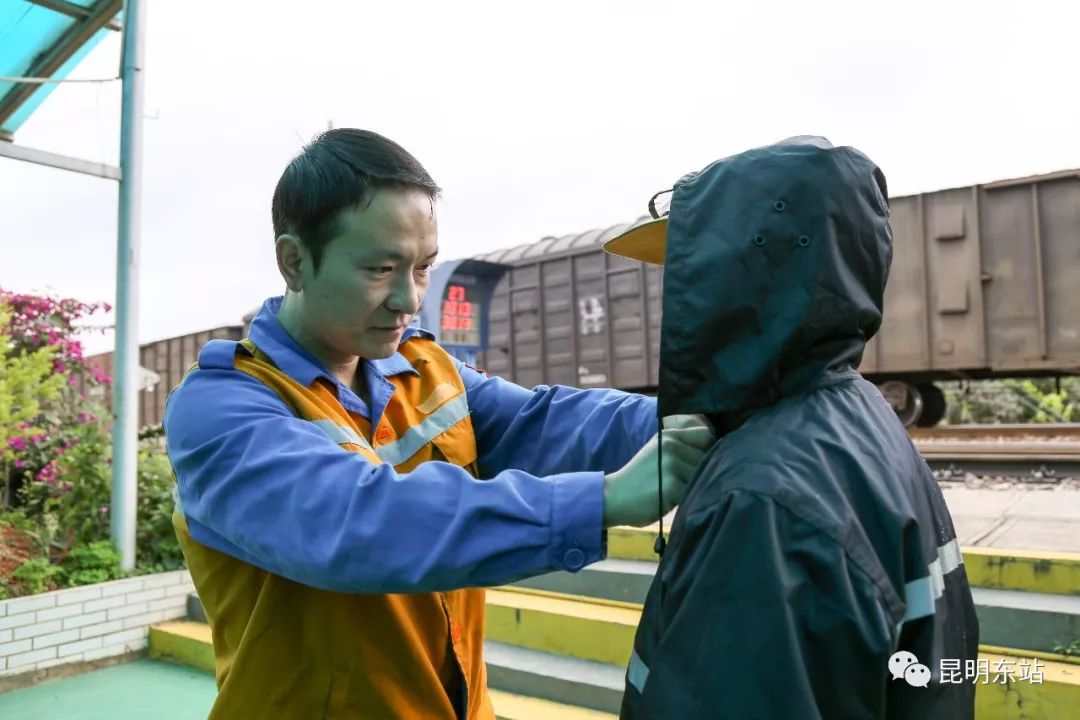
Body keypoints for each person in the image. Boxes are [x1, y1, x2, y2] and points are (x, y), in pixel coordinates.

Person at [162, 128, 713, 719]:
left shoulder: (426, 370)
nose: (408, 298)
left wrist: (698, 417)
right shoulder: (224, 407)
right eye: (380, 269)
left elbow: (545, 421)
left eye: (423, 268)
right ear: (294, 261)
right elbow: (359, 523)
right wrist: (602, 501)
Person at [604, 136, 979, 718]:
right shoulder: (860, 417)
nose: (672, 301)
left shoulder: (761, 503)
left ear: (737, 279)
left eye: (686, 274)